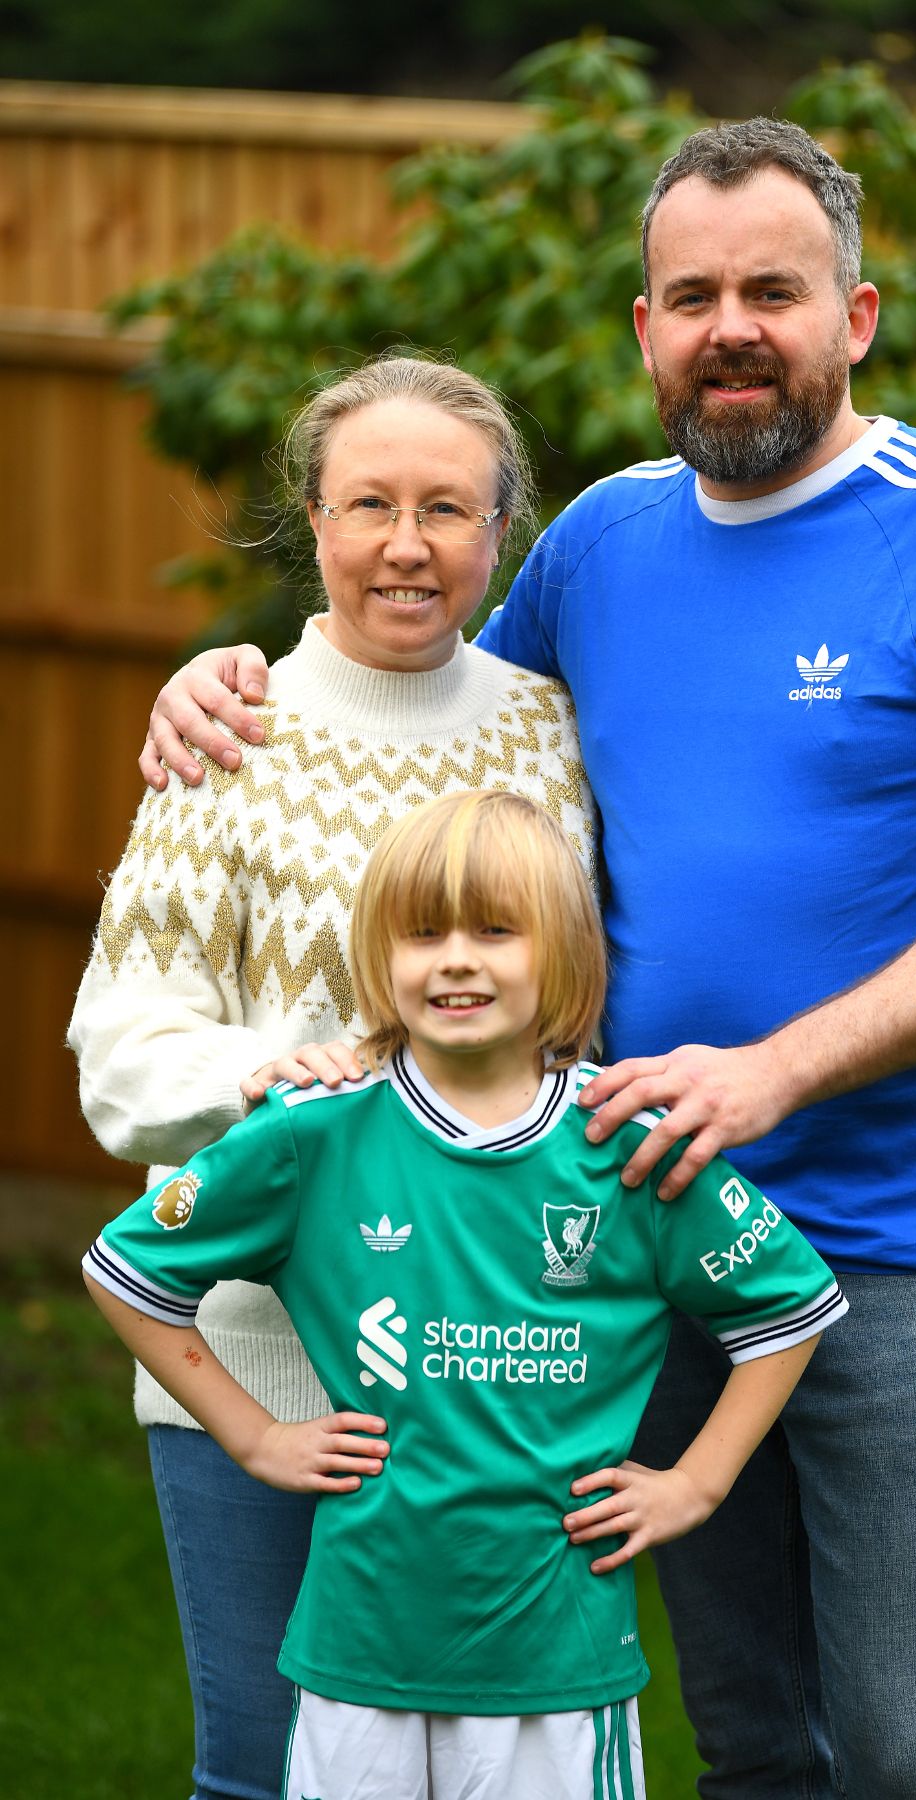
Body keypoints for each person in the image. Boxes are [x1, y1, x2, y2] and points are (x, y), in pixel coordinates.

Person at [135, 120, 916, 1799]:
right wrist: (225, 686)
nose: (730, 323)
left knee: (902, 1741)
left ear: (857, 316)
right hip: (621, 1228)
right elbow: (439, 728)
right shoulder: (600, 543)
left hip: (891, 1241)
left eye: (772, 290)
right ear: (647, 331)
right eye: (691, 294)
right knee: (746, 1740)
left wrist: (777, 1072)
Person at [82, 788, 846, 1800]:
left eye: (496, 931)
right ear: (380, 957)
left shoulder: (623, 1140)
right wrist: (258, 1436)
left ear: (564, 954)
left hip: (556, 1663)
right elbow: (125, 1273)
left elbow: (785, 1311)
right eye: (422, 932)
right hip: (361, 1645)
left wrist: (696, 1482)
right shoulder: (315, 1133)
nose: (455, 959)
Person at [68, 355, 599, 1800]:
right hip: (256, 1361)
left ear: (504, 534)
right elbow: (120, 1050)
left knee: (492, 1770)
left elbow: (579, 1016)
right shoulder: (231, 734)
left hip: (500, 1365)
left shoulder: (551, 737)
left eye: (449, 508)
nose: (407, 544)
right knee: (265, 1765)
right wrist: (274, 1074)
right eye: (370, 503)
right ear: (314, 520)